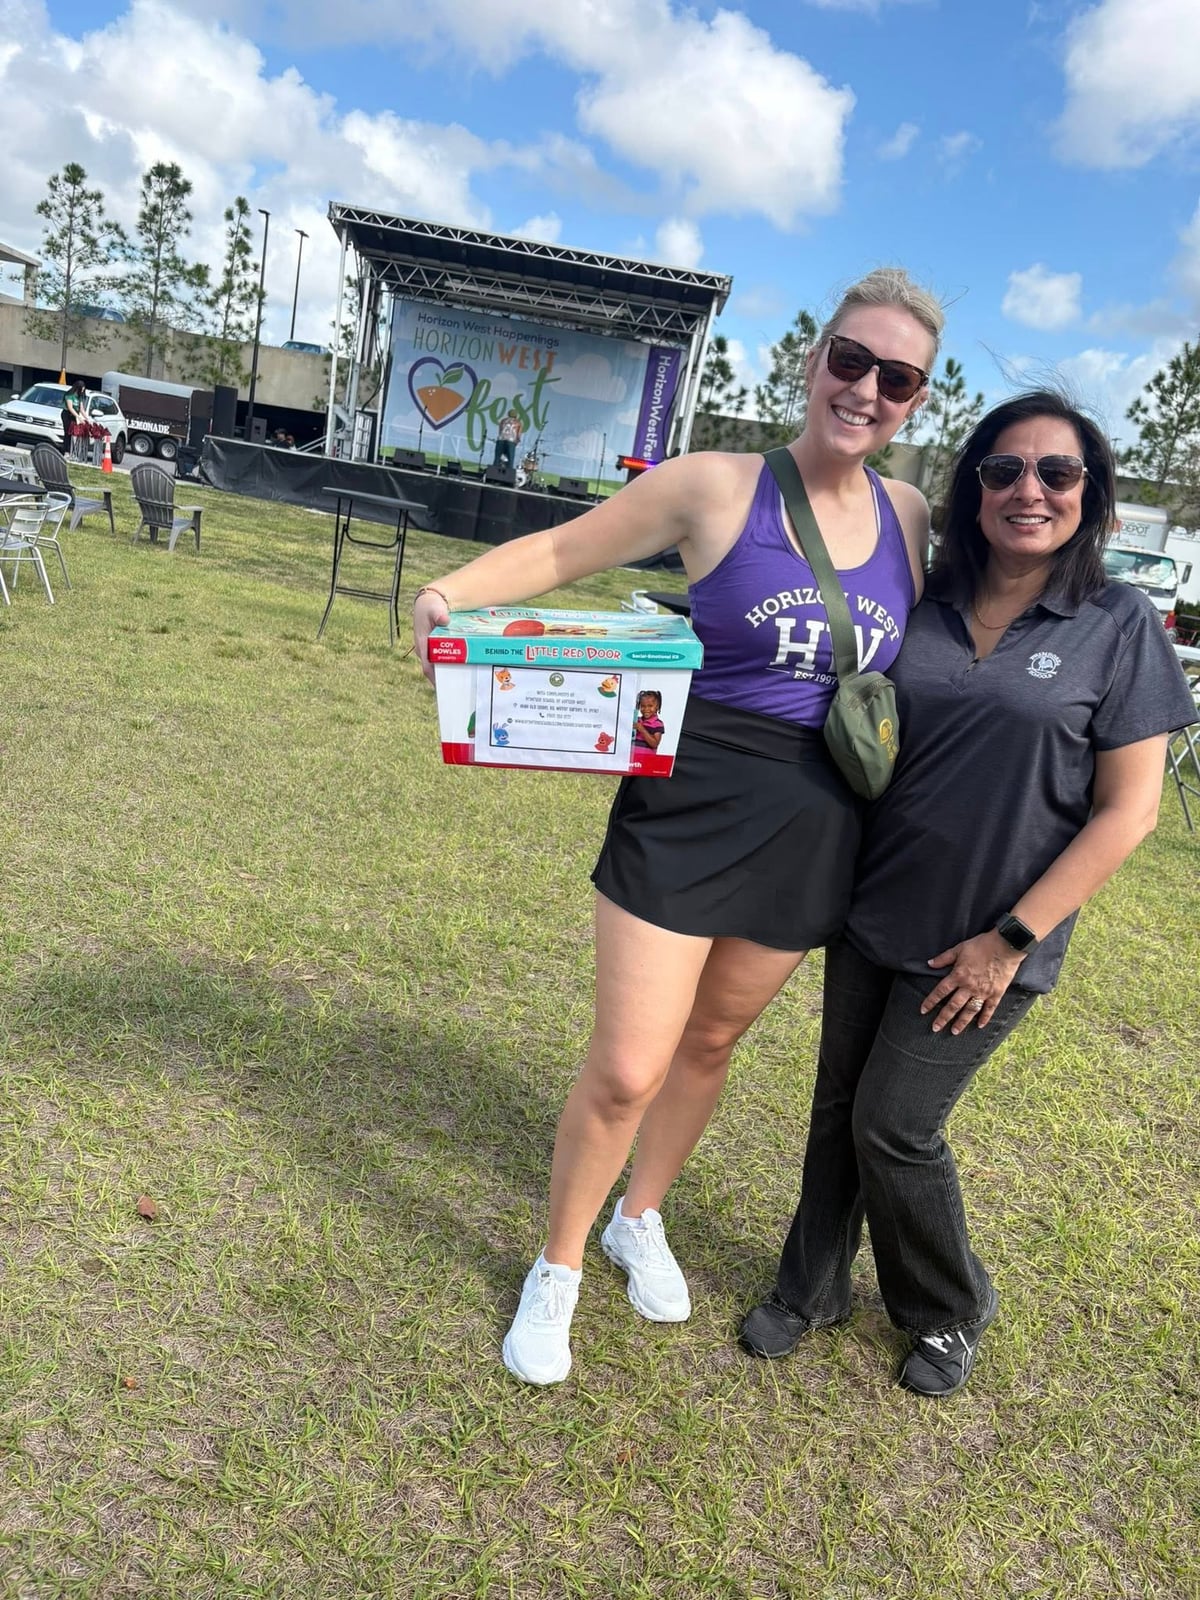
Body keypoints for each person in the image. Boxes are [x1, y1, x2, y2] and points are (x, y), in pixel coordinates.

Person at [413, 267, 942, 1385]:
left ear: (915, 400)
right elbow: (564, 551)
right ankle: (555, 1268)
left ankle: (635, 1216)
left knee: (712, 1042)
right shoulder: (713, 486)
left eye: (896, 378)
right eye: (850, 360)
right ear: (813, 361)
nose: (866, 389)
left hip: (820, 826)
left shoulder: (910, 517)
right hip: (690, 804)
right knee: (628, 1064)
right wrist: (451, 593)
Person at [739, 390, 1197, 1396]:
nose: (1027, 489)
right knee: (838, 1111)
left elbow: (1130, 812)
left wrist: (1012, 938)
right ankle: (809, 1288)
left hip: (991, 936)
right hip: (875, 909)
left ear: (1092, 495)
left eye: (1056, 472)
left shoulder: (1116, 623)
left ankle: (948, 1306)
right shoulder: (923, 600)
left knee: (895, 1124)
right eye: (1003, 470)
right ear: (974, 489)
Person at [631, 690, 665, 754]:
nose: (646, 709)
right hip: (632, 758)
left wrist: (642, 729)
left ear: (657, 707)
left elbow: (655, 744)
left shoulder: (658, 724)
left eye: (650, 706)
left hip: (647, 759)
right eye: (643, 706)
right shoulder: (636, 720)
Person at [61, 379, 86, 456]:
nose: (82, 391)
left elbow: (81, 409)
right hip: (67, 414)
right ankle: (66, 451)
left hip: (74, 415)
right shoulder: (69, 395)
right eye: (82, 389)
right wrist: (78, 417)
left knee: (73, 433)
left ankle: (72, 450)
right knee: (68, 432)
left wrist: (87, 418)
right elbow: (70, 408)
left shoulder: (80, 397)